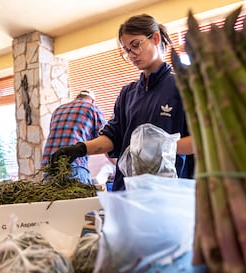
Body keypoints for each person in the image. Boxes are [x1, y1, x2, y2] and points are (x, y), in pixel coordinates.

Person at [49, 14, 194, 191]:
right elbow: (113, 138)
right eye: (126, 50)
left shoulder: (183, 87)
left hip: (167, 194)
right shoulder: (128, 93)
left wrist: (161, 148)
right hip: (126, 191)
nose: (131, 54)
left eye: (135, 45)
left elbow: (201, 142)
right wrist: (79, 149)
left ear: (155, 38)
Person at [42, 89, 106, 184]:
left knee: (51, 199)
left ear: (77, 98)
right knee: (80, 198)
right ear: (92, 100)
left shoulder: (58, 110)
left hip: (50, 167)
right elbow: (106, 139)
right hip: (74, 166)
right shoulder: (92, 108)